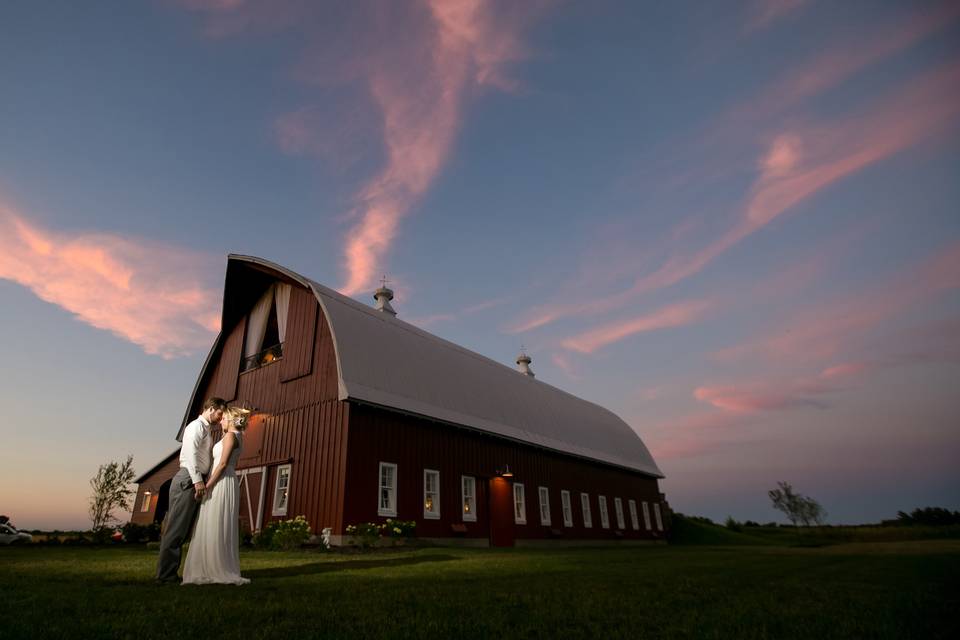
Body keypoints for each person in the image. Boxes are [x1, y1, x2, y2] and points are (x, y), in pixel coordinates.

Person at [155, 396, 226, 584]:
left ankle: (169, 573)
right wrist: (197, 481)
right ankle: (165, 576)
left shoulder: (207, 429)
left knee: (183, 530)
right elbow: (190, 454)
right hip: (188, 479)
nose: (221, 418)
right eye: (220, 413)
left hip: (195, 479)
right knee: (175, 530)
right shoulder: (196, 427)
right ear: (211, 409)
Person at [182, 406, 251, 585]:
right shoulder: (236, 436)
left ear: (229, 420)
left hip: (221, 481)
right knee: (213, 520)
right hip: (223, 479)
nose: (220, 421)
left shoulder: (230, 436)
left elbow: (221, 465)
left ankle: (215, 567)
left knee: (216, 521)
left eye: (223, 419)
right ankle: (209, 564)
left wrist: (207, 486)